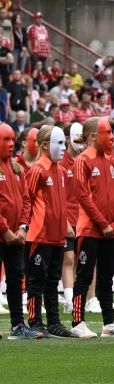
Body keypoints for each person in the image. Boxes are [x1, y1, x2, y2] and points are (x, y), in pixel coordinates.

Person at [70, 117, 114, 339]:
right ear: (94, 136)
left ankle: (109, 323)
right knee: (84, 275)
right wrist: (103, 223)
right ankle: (77, 322)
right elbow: (82, 196)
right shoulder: (83, 160)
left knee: (106, 278)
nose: (113, 138)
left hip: (110, 231)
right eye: (108, 133)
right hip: (89, 230)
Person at [23, 126, 69, 338]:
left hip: (57, 236)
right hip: (39, 236)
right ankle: (34, 322)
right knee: (37, 280)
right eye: (59, 143)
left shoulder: (60, 171)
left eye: (63, 143)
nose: (64, 147)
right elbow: (28, 201)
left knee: (52, 281)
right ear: (44, 145)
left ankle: (54, 322)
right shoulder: (37, 170)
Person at [0, 124, 33, 338]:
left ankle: (18, 326)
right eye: (6, 140)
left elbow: (26, 200)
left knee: (15, 281)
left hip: (16, 236)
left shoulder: (16, 168)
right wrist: (4, 229)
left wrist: (22, 227)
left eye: (13, 139)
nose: (11, 144)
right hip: (4, 234)